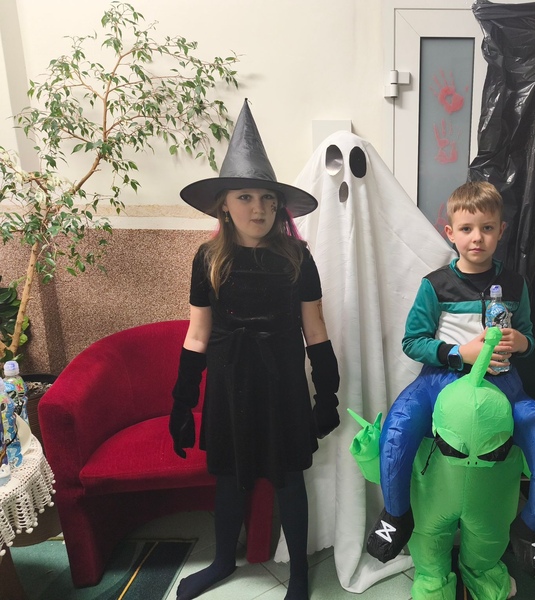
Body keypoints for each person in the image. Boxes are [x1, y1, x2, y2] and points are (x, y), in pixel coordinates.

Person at [169, 100, 340, 600]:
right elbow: (197, 334)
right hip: (228, 385)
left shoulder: (297, 258)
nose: (258, 208)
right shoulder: (208, 259)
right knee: (228, 476)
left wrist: (326, 395)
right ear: (224, 205)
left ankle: (300, 576)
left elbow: (315, 329)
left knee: (288, 477)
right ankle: (224, 560)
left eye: (267, 198)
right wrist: (182, 402)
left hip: (282, 386)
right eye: (245, 197)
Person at [367, 181, 535, 582]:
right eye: (467, 229)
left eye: (487, 228)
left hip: (503, 383)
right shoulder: (435, 284)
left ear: (501, 231)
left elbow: (529, 338)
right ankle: (396, 514)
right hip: (439, 381)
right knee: (398, 428)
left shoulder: (515, 285)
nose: (477, 238)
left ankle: (531, 528)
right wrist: (459, 353)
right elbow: (412, 342)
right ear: (450, 233)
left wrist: (521, 341)